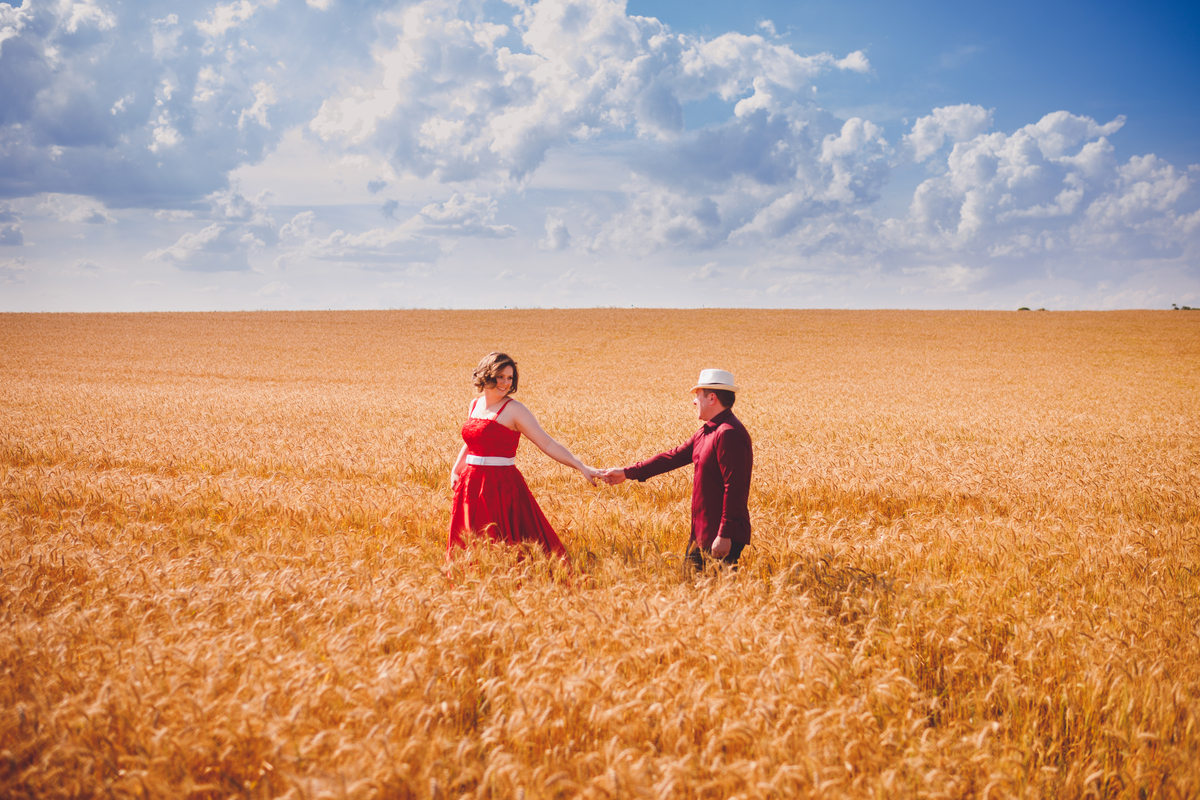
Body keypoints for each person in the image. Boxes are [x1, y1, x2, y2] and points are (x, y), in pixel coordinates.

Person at [449, 351, 600, 560]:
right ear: (486, 375)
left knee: (501, 543)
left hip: (499, 486)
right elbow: (472, 442)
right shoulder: (474, 404)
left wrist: (581, 466)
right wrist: (456, 469)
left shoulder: (515, 409)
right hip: (471, 483)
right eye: (500, 376)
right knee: (470, 541)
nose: (505, 383)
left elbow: (547, 442)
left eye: (509, 378)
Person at [601, 369, 753, 570]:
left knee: (706, 586)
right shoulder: (707, 432)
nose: (694, 401)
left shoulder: (728, 433)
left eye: (698, 395)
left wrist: (725, 534)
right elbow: (671, 457)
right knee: (693, 584)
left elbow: (734, 488)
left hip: (719, 535)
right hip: (703, 533)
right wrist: (627, 472)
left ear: (712, 398)